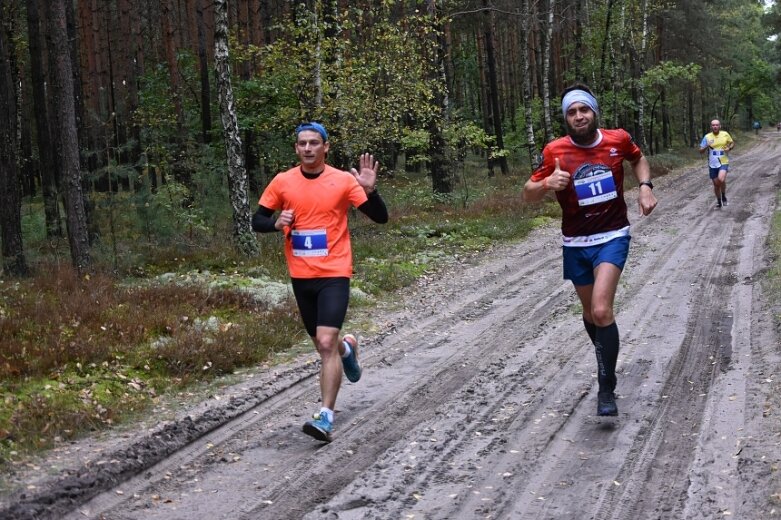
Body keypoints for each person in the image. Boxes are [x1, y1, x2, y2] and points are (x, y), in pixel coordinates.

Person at [522, 83, 657, 416]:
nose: (579, 116)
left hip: (612, 235)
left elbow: (638, 159)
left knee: (600, 311)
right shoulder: (555, 151)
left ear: (594, 112)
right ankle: (605, 359)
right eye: (572, 112)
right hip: (575, 243)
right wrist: (545, 185)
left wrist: (645, 187)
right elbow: (527, 192)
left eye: (584, 109)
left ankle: (606, 385)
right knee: (589, 315)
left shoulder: (617, 139)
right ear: (566, 119)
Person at [252, 122, 388, 442]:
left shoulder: (342, 180)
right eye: (303, 144)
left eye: (315, 143)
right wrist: (275, 223)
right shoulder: (283, 182)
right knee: (324, 344)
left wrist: (370, 190)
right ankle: (348, 350)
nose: (308, 148)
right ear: (297, 148)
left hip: (335, 273)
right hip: (301, 276)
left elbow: (380, 217)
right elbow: (257, 219)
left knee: (325, 342)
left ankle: (325, 415)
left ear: (326, 147)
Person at [698, 119, 734, 209]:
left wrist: (729, 148)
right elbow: (700, 151)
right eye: (713, 125)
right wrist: (707, 145)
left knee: (721, 179)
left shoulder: (725, 134)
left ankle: (724, 196)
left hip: (723, 161)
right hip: (712, 163)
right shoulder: (707, 137)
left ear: (720, 126)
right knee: (716, 185)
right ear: (711, 127)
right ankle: (719, 201)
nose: (715, 126)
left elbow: (732, 143)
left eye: (717, 125)